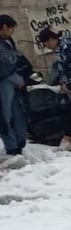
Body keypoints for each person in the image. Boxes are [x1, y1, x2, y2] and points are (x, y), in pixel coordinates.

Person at [0, 15, 30, 156]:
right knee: (5, 115)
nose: (13, 31)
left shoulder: (8, 41)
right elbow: (5, 65)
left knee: (17, 113)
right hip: (4, 82)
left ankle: (19, 141)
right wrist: (18, 80)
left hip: (14, 82)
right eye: (12, 28)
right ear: (5, 27)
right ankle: (12, 145)